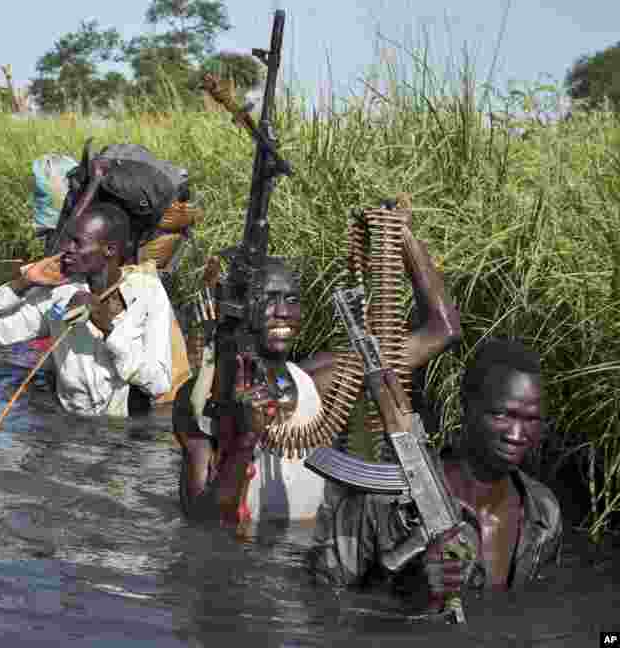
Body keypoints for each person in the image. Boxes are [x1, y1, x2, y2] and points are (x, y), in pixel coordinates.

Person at [172, 225, 461, 526]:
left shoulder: (318, 382)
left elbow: (443, 331)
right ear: (240, 308)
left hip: (303, 561)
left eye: (292, 299)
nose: (282, 311)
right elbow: (202, 522)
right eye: (269, 299)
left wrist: (403, 236)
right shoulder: (204, 399)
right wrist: (244, 441)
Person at [308, 338, 563, 616]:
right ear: (466, 404)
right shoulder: (379, 503)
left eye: (531, 419)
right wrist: (409, 594)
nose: (516, 434)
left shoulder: (543, 514)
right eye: (503, 415)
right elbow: (320, 609)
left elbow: (534, 612)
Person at [0, 202, 174, 417]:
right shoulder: (61, 294)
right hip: (72, 426)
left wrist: (107, 327)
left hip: (124, 432)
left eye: (78, 243)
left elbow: (158, 385)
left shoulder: (147, 294)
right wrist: (24, 282)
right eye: (69, 240)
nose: (68, 249)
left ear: (109, 249)